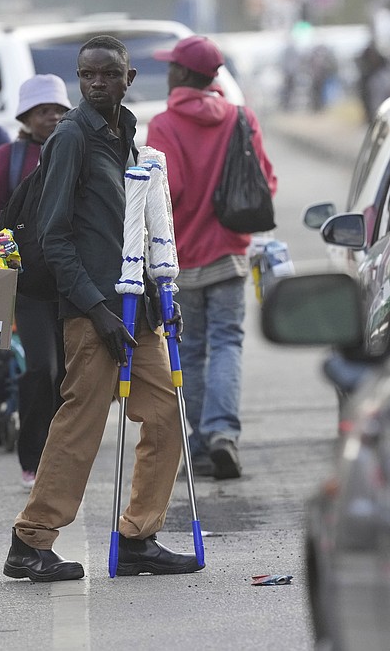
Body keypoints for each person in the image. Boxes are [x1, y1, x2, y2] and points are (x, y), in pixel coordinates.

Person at [4, 35, 201, 582]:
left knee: (166, 416)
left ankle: (139, 536)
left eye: (108, 75)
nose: (96, 84)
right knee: (80, 425)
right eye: (87, 75)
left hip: (138, 308)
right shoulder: (70, 137)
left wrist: (163, 299)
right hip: (93, 314)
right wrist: (96, 309)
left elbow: (142, 225)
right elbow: (54, 236)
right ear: (78, 79)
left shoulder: (128, 135)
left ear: (128, 78)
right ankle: (30, 541)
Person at [147, 35, 277, 481]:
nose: (167, 74)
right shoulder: (241, 117)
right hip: (229, 255)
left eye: (171, 67)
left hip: (182, 260)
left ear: (183, 73)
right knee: (227, 344)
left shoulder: (164, 125)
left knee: (192, 350)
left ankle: (203, 443)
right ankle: (223, 433)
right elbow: (266, 182)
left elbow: (169, 191)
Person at [0, 74, 72, 490]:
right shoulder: (11, 155)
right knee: (41, 367)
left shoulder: (77, 148)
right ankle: (32, 456)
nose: (53, 117)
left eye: (58, 110)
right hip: (30, 284)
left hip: (73, 282)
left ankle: (61, 458)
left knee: (70, 375)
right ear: (27, 116)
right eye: (44, 111)